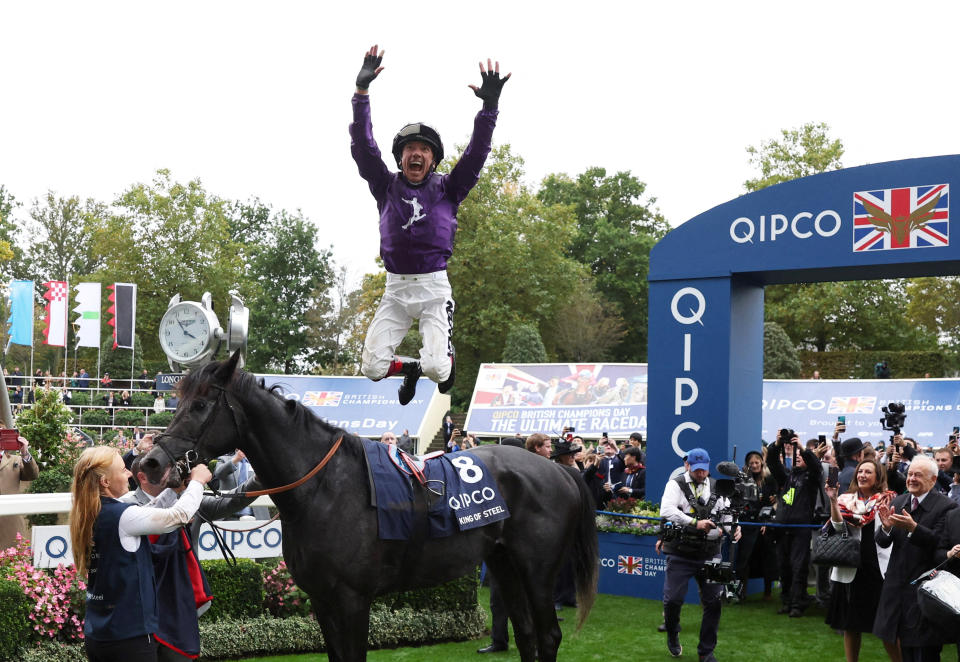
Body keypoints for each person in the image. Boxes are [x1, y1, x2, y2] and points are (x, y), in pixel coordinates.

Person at [351, 44, 509, 405]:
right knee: (372, 368)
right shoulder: (385, 185)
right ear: (401, 158)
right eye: (410, 149)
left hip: (434, 289)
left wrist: (489, 108)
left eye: (424, 149)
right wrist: (361, 94)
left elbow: (477, 153)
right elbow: (362, 146)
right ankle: (409, 370)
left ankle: (434, 364)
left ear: (433, 159)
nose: (416, 153)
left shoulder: (449, 189)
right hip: (395, 290)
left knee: (439, 370)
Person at [69, 446, 211, 661]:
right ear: (105, 482)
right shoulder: (123, 516)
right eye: (123, 469)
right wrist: (198, 481)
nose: (129, 474)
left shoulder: (90, 513)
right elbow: (179, 515)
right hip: (130, 638)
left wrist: (174, 491)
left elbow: (147, 512)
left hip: (98, 635)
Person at [127, 455, 260, 661]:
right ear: (143, 477)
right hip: (142, 608)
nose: (172, 473)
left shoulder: (187, 499)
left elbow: (230, 502)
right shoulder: (129, 509)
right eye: (164, 469)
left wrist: (261, 478)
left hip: (179, 603)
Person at [873, 454, 957, 662]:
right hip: (896, 584)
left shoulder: (946, 506)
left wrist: (914, 528)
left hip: (925, 587)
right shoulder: (899, 501)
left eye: (918, 475)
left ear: (933, 480)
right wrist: (885, 527)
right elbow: (883, 542)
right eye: (910, 474)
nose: (911, 479)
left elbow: (939, 543)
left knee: (923, 649)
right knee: (894, 638)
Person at [659, 447, 740, 661]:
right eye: (696, 470)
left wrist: (734, 527)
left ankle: (706, 652)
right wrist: (695, 522)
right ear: (687, 465)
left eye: (704, 470)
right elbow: (666, 510)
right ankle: (673, 631)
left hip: (710, 553)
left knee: (713, 602)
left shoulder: (717, 487)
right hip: (680, 552)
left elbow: (727, 515)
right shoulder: (675, 484)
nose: (700, 473)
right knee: (672, 601)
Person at [823, 459, 898, 662]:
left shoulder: (888, 499)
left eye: (868, 472)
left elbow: (891, 533)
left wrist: (887, 526)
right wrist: (832, 500)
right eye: (860, 471)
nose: (862, 475)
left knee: (885, 626)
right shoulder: (845, 499)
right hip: (850, 569)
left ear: (878, 477)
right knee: (851, 625)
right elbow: (838, 528)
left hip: (878, 569)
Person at [766, 430, 824, 617]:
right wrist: (776, 445)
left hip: (801, 528)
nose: (798, 457)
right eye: (797, 455)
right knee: (784, 566)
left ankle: (798, 603)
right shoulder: (789, 477)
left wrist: (802, 447)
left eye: (801, 455)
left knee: (799, 566)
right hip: (783, 528)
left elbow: (817, 467)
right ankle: (786, 601)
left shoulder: (812, 477)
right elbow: (772, 463)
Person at [732, 449, 779, 602]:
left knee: (767, 559)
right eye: (751, 463)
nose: (754, 465)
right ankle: (741, 592)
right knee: (745, 559)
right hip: (747, 524)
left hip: (765, 524)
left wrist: (775, 500)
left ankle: (767, 593)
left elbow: (778, 497)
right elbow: (736, 499)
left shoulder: (770, 479)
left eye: (757, 462)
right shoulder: (742, 479)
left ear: (761, 463)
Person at [0, 432, 38, 548]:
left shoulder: (16, 460)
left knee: (13, 563)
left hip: (9, 524)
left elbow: (32, 475)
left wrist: (24, 452)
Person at [213, 450, 257, 520]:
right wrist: (235, 460)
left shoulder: (258, 460)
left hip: (256, 516)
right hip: (228, 516)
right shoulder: (224, 459)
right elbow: (218, 474)